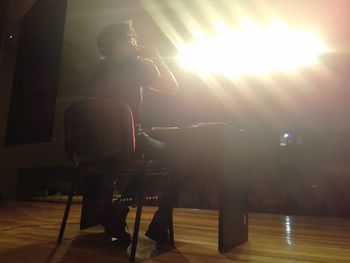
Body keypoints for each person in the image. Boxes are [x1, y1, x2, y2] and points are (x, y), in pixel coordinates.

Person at [86, 21, 180, 246]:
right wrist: (156, 57)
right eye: (132, 38)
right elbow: (173, 88)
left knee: (151, 161)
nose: (136, 42)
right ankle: (154, 222)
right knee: (180, 158)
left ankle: (119, 208)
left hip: (94, 146)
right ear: (122, 42)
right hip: (128, 141)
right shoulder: (137, 65)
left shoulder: (98, 70)